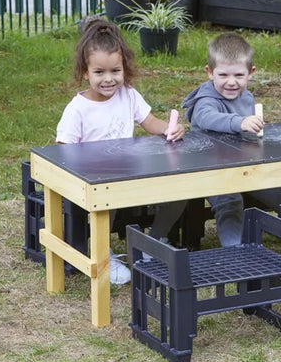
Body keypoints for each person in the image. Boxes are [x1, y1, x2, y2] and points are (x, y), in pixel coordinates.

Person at [56, 19, 187, 284]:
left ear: (124, 69)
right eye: (99, 72)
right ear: (85, 72)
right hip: (96, 179)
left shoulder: (128, 94)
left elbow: (150, 122)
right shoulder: (77, 109)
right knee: (108, 199)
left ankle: (152, 242)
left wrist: (170, 129)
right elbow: (64, 151)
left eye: (115, 70)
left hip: (129, 171)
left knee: (181, 187)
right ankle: (103, 252)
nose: (109, 79)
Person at [181, 32, 281, 247]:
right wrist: (239, 122)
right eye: (223, 75)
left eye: (238, 76)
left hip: (247, 166)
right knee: (229, 202)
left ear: (251, 73)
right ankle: (237, 252)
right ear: (209, 72)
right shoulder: (206, 100)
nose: (231, 82)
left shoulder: (247, 97)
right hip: (213, 170)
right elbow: (206, 118)